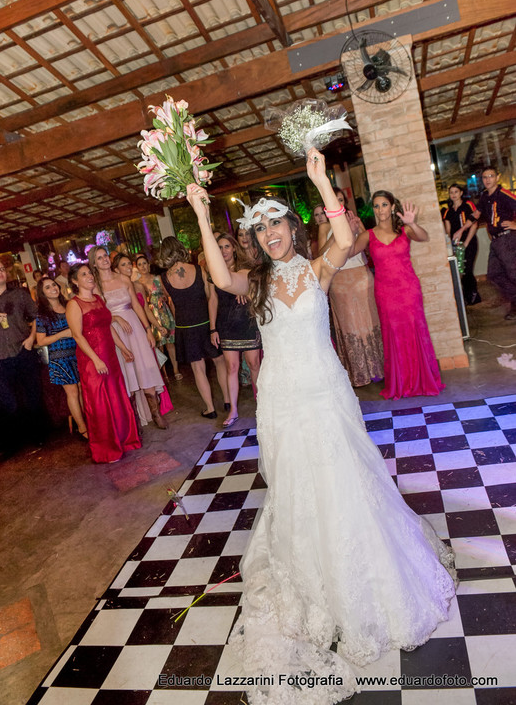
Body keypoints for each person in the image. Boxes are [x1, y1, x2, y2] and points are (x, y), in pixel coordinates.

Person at [186, 151, 455, 704]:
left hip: (326, 392)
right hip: (282, 398)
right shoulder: (253, 285)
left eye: (276, 223)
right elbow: (216, 273)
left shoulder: (317, 269)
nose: (269, 233)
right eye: (260, 228)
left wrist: (320, 180)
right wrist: (198, 212)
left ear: (291, 228)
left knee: (343, 476)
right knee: (296, 484)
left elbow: (340, 233)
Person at [352, 191, 444, 399]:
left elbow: (424, 237)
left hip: (409, 290)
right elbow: (348, 252)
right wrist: (350, 232)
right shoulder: (368, 235)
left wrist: (412, 223)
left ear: (392, 207)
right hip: (385, 293)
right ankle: (402, 383)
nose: (380, 209)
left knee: (414, 331)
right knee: (393, 334)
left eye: (384, 204)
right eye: (376, 206)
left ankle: (422, 380)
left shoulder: (404, 230)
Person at [66, 264, 141, 463]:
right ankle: (107, 449)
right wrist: (95, 359)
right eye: (84, 274)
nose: (90, 276)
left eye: (90, 273)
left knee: (116, 396)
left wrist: (123, 348)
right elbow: (77, 336)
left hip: (110, 356)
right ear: (75, 281)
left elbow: (108, 327)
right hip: (92, 360)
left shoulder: (98, 299)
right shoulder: (74, 304)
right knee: (99, 402)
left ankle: (123, 439)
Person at [88, 246, 167, 429]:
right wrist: (114, 317)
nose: (104, 260)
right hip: (114, 331)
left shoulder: (124, 279)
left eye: (105, 256)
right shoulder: (95, 287)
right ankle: (134, 420)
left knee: (145, 367)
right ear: (94, 263)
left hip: (134, 327)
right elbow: (99, 314)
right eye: (99, 258)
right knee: (126, 373)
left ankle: (155, 413)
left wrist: (147, 329)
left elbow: (137, 306)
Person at [317, 191, 384, 387]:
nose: (337, 203)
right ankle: (359, 374)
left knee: (370, 322)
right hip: (339, 280)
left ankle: (378, 369)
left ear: (344, 202)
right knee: (350, 327)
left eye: (340, 200)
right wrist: (339, 232)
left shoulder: (354, 218)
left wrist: (356, 228)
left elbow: (370, 246)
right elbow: (320, 255)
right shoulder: (324, 227)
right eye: (333, 200)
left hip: (362, 276)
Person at [159, 236, 229, 418]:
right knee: (219, 362)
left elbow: (172, 304)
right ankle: (228, 401)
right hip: (206, 323)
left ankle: (210, 409)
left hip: (185, 326)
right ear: (180, 248)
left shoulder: (164, 279)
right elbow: (208, 296)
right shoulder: (199, 270)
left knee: (198, 369)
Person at [0, 257, 47, 455]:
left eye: (2, 269)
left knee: (32, 396)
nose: (0, 272)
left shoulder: (19, 294)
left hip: (22, 351)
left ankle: (38, 436)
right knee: (6, 402)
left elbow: (37, 316)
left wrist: (31, 338)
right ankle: (13, 443)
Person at [453, 167, 516, 319]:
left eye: (491, 176)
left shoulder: (504, 194)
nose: (488, 179)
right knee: (494, 275)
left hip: (507, 239)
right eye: (485, 177)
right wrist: (461, 230)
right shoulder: (484, 196)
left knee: (514, 274)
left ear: (497, 177)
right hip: (495, 242)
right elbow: (475, 215)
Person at [214, 233, 261, 427]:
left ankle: (263, 405)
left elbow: (257, 292)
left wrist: (246, 293)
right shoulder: (215, 272)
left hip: (246, 321)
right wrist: (212, 328)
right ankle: (233, 410)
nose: (224, 251)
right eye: (220, 247)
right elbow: (212, 300)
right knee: (231, 367)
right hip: (226, 324)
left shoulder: (246, 269)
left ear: (233, 248)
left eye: (227, 246)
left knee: (254, 364)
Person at [35, 277, 88, 438]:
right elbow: (41, 341)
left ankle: (90, 422)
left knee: (82, 388)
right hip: (60, 358)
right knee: (72, 391)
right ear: (43, 294)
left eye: (54, 285)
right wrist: (62, 334)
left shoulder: (69, 305)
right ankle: (82, 428)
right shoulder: (43, 315)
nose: (53, 288)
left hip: (78, 352)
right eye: (48, 287)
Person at [134, 253, 180, 380]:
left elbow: (168, 295)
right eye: (140, 265)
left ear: (148, 265)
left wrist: (164, 299)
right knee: (158, 346)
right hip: (150, 316)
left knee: (170, 343)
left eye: (144, 263)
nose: (143, 266)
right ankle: (163, 373)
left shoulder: (158, 278)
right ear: (137, 267)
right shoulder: (136, 284)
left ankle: (176, 370)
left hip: (163, 313)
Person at [442, 183, 481, 305]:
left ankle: (473, 295)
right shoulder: (447, 211)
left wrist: (466, 243)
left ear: (461, 193)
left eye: (456, 192)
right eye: (451, 192)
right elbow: (448, 231)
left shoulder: (468, 205)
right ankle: (468, 295)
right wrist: (451, 246)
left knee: (468, 268)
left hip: (470, 242)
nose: (453, 194)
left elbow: (474, 224)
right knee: (462, 270)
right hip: (457, 245)